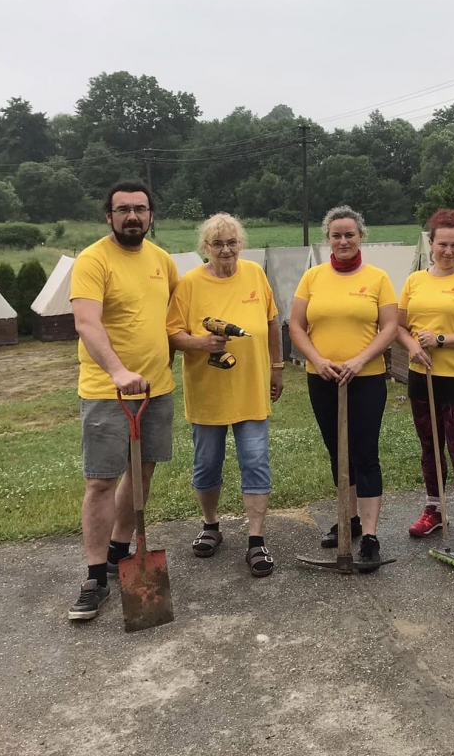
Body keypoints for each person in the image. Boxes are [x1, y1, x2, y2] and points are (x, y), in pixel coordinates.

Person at [67, 180, 179, 620]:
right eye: (123, 209)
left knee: (144, 470)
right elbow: (86, 322)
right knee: (100, 481)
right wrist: (118, 370)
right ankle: (95, 576)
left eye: (140, 209)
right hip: (106, 390)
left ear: (152, 216)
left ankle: (119, 552)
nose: (132, 216)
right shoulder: (93, 260)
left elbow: (173, 318)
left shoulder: (163, 261)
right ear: (108, 216)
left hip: (157, 390)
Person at [166, 214, 283, 577]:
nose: (226, 250)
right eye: (217, 244)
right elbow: (171, 333)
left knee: (255, 462)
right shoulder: (189, 284)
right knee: (207, 465)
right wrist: (201, 343)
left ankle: (256, 539)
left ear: (241, 244)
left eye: (232, 242)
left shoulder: (255, 274)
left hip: (251, 390)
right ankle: (211, 525)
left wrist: (277, 368)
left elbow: (271, 323)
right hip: (207, 393)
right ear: (206, 247)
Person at [289, 205, 398, 566]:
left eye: (349, 234)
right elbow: (296, 326)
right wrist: (318, 360)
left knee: (365, 455)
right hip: (323, 379)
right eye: (336, 235)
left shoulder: (379, 278)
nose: (343, 240)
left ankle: (369, 536)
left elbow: (389, 328)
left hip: (365, 379)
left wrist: (359, 360)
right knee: (339, 454)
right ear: (328, 239)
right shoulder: (313, 277)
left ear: (360, 236)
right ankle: (345, 520)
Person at [396, 210, 454, 562]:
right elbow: (401, 326)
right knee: (430, 448)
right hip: (422, 376)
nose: (448, 251)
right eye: (442, 244)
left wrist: (440, 339)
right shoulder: (415, 281)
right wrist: (414, 346)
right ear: (430, 243)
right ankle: (434, 510)